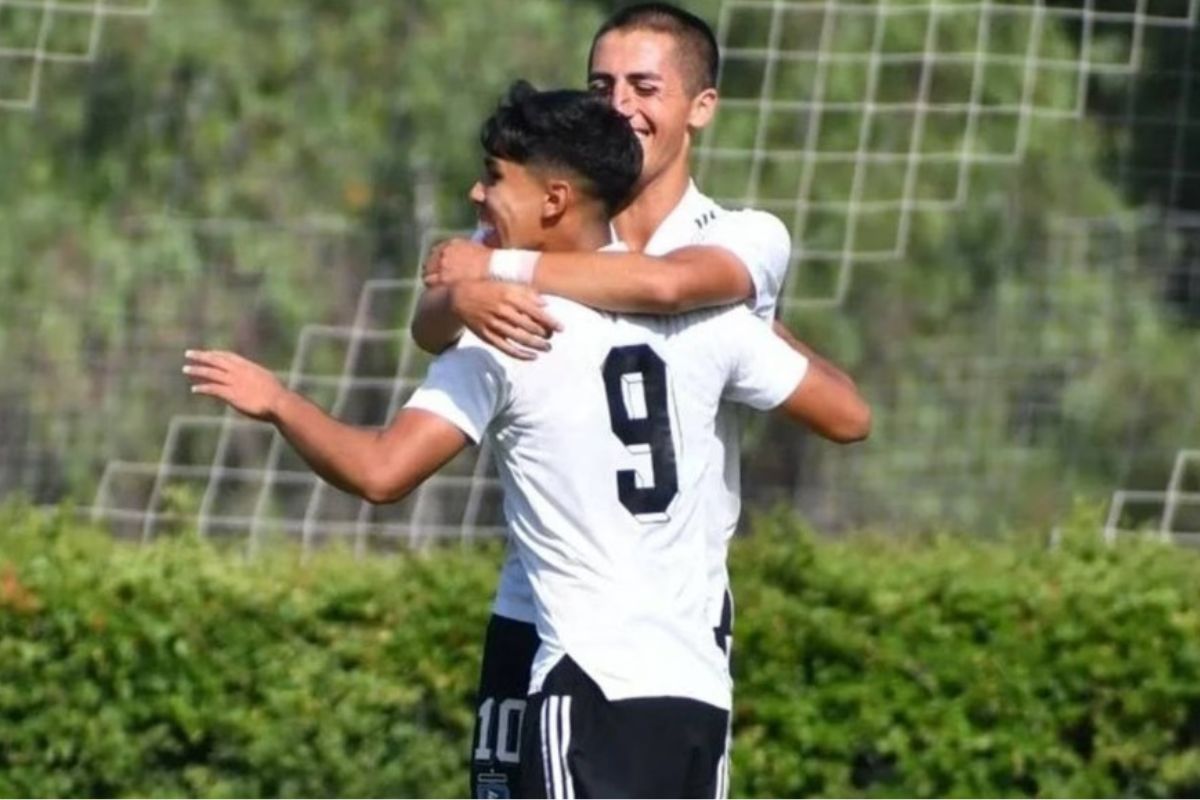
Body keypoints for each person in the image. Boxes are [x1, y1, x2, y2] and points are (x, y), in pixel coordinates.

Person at [185, 82, 869, 798]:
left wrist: (280, 403)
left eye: (494, 178)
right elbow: (850, 417)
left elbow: (381, 473)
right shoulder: (712, 322)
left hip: (590, 687)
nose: (478, 196)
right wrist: (755, 315)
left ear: (553, 201)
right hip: (697, 697)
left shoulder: (508, 332)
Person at [411, 4, 868, 795]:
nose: (620, 104)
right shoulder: (547, 213)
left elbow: (665, 286)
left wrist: (496, 273)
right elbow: (430, 323)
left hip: (676, 620)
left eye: (644, 86)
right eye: (602, 83)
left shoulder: (739, 234)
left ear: (701, 107)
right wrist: (460, 295)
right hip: (541, 605)